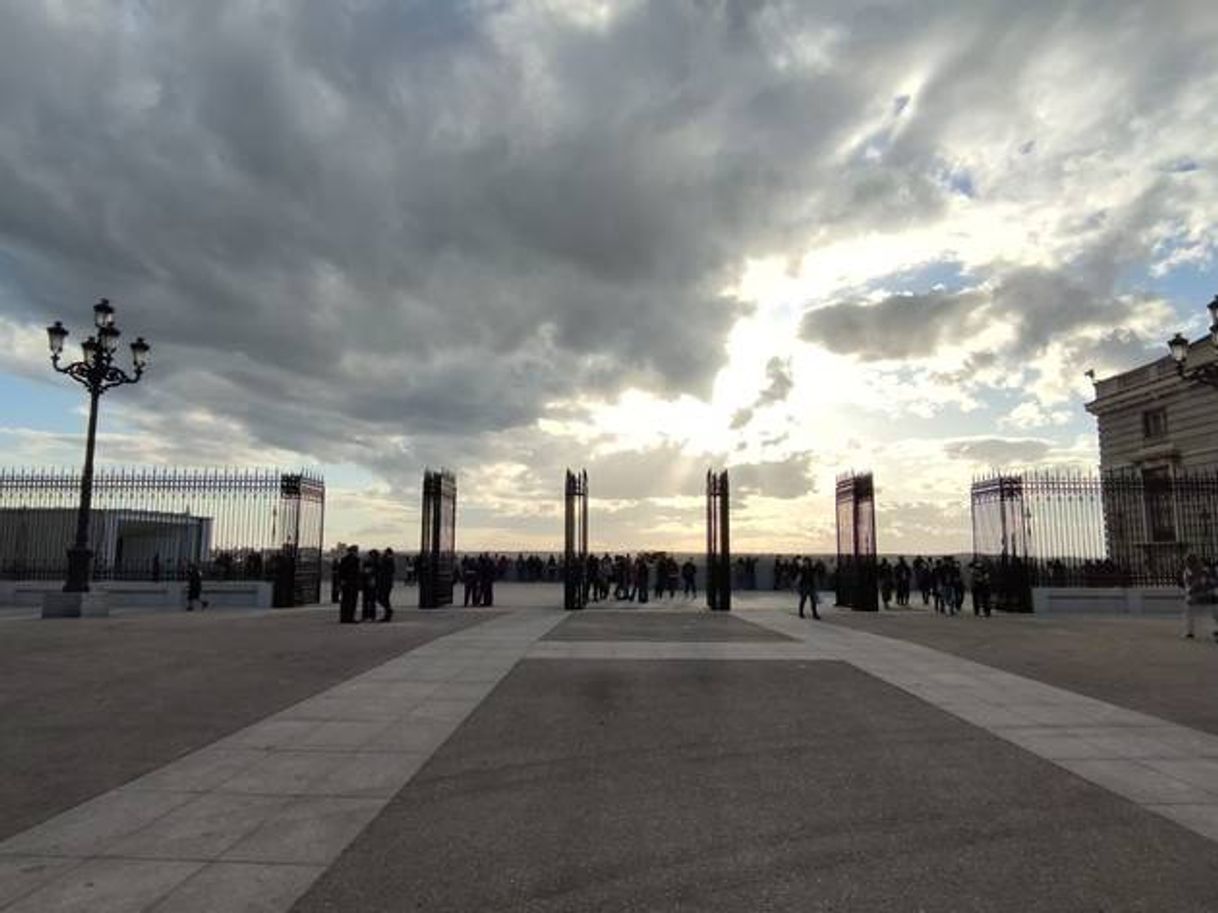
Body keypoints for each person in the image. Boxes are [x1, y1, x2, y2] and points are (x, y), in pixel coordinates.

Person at [1181, 553, 1211, 640]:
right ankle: (1190, 632)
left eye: (1188, 561)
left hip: (1202, 593)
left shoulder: (1203, 570)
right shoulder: (1187, 571)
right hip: (1194, 594)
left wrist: (1191, 589)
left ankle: (1190, 632)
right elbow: (1187, 583)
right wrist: (1189, 590)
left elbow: (1203, 581)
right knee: (1189, 612)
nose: (1187, 563)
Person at [338, 545, 361, 623]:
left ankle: (343, 617)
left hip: (345, 583)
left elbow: (340, 571)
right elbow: (357, 573)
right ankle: (350, 617)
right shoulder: (356, 560)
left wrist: (342, 580)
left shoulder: (344, 559)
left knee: (345, 601)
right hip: (353, 583)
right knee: (352, 601)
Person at [377, 548, 396, 622]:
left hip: (385, 582)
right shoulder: (390, 560)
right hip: (387, 583)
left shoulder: (387, 560)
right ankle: (388, 612)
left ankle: (388, 611)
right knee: (384, 598)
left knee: (382, 598)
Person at [361, 549, 379, 622]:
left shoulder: (371, 562)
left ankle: (367, 615)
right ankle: (370, 616)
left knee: (369, 601)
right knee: (369, 601)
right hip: (370, 583)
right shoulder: (376, 562)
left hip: (369, 582)